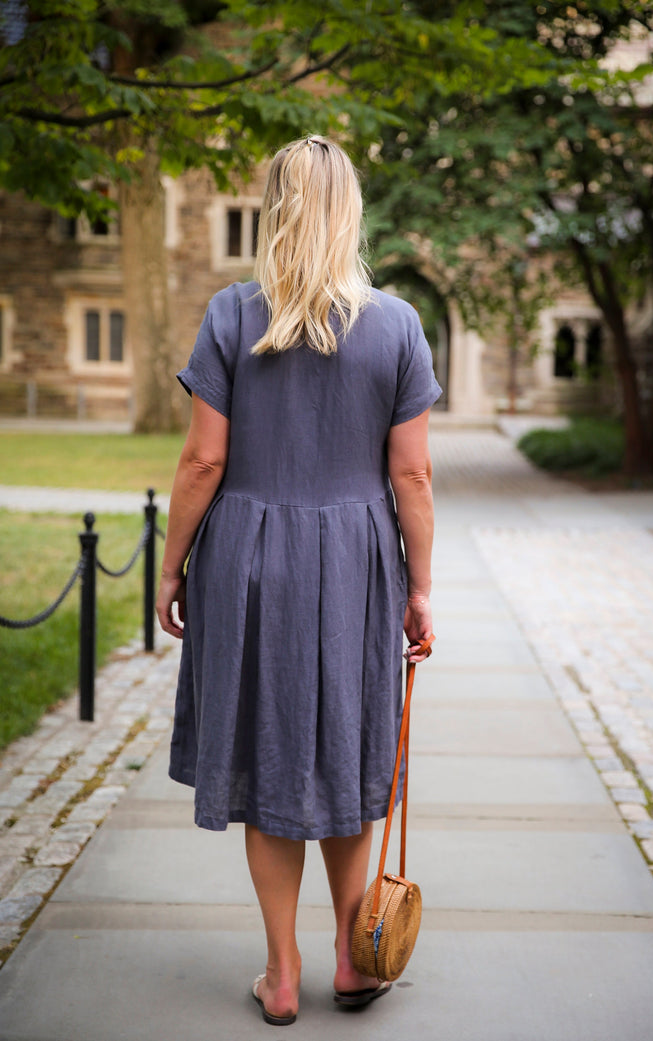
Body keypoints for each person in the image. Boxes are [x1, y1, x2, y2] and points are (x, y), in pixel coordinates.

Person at [156, 135, 440, 1027]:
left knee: (268, 752)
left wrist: (171, 566)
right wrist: (421, 585)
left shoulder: (233, 315)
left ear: (273, 207)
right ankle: (354, 962)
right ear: (350, 210)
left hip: (247, 560)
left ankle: (280, 974)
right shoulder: (395, 324)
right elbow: (413, 476)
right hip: (358, 562)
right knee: (349, 754)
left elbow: (204, 461)